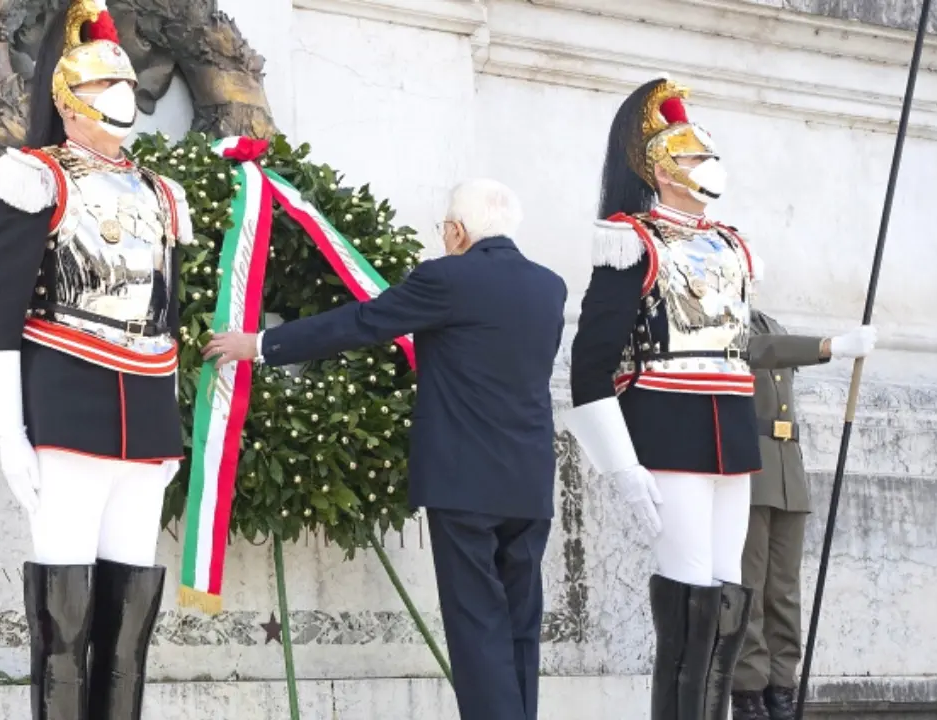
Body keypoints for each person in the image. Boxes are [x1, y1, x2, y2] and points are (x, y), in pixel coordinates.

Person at [202, 179, 567, 720]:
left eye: (444, 229)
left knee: (477, 629)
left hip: (466, 483)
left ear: (458, 231)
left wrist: (260, 344)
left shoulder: (448, 277)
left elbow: (361, 322)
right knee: (519, 628)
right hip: (529, 482)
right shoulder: (550, 286)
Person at [0, 1, 193, 718]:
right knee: (65, 616)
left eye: (124, 87)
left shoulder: (159, 194)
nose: (120, 98)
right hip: (66, 404)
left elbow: (163, 313)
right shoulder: (34, 177)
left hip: (144, 416)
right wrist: (5, 428)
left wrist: (169, 427)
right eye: (99, 88)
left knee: (129, 619)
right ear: (66, 99)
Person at [564, 75, 814, 720]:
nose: (710, 166)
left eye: (710, 155)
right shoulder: (631, 238)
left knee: (730, 595)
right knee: (689, 597)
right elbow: (589, 367)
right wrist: (621, 465)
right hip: (667, 426)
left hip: (733, 428)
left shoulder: (731, 243)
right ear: (662, 168)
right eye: (696, 156)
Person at [733, 312, 876, 720]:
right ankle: (749, 692)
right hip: (751, 469)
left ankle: (782, 687)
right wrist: (830, 346)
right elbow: (762, 352)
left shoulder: (772, 324)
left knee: (784, 589)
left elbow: (776, 346)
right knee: (750, 586)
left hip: (786, 469)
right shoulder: (725, 322)